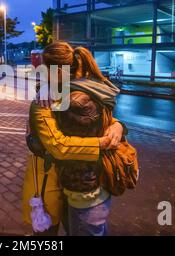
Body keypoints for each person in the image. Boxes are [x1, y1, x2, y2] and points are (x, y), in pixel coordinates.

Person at [22, 42, 126, 236]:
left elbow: (101, 119)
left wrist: (118, 125)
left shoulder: (82, 95)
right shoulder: (44, 100)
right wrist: (101, 143)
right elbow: (58, 146)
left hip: (77, 185)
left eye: (45, 67)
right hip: (52, 181)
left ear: (58, 70)